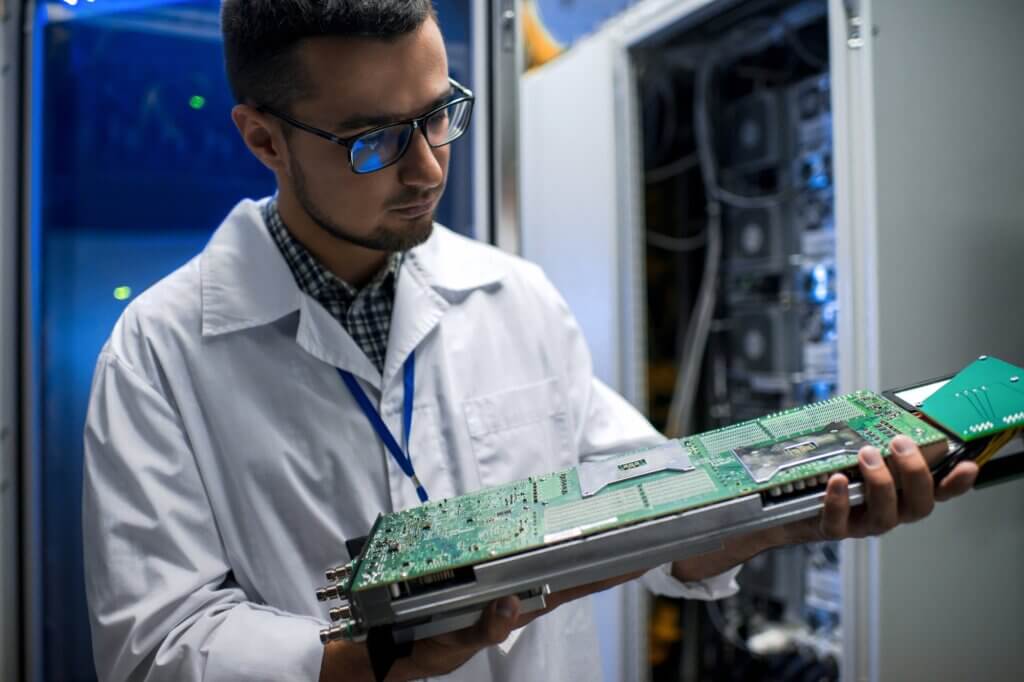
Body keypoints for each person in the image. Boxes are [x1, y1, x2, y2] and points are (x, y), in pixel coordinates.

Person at [81, 2, 978, 681]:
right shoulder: (160, 353)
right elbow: (155, 643)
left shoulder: (515, 297)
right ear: (263, 138)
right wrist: (378, 658)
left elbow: (660, 521)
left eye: (439, 112)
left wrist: (785, 511)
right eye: (374, 140)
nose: (430, 165)